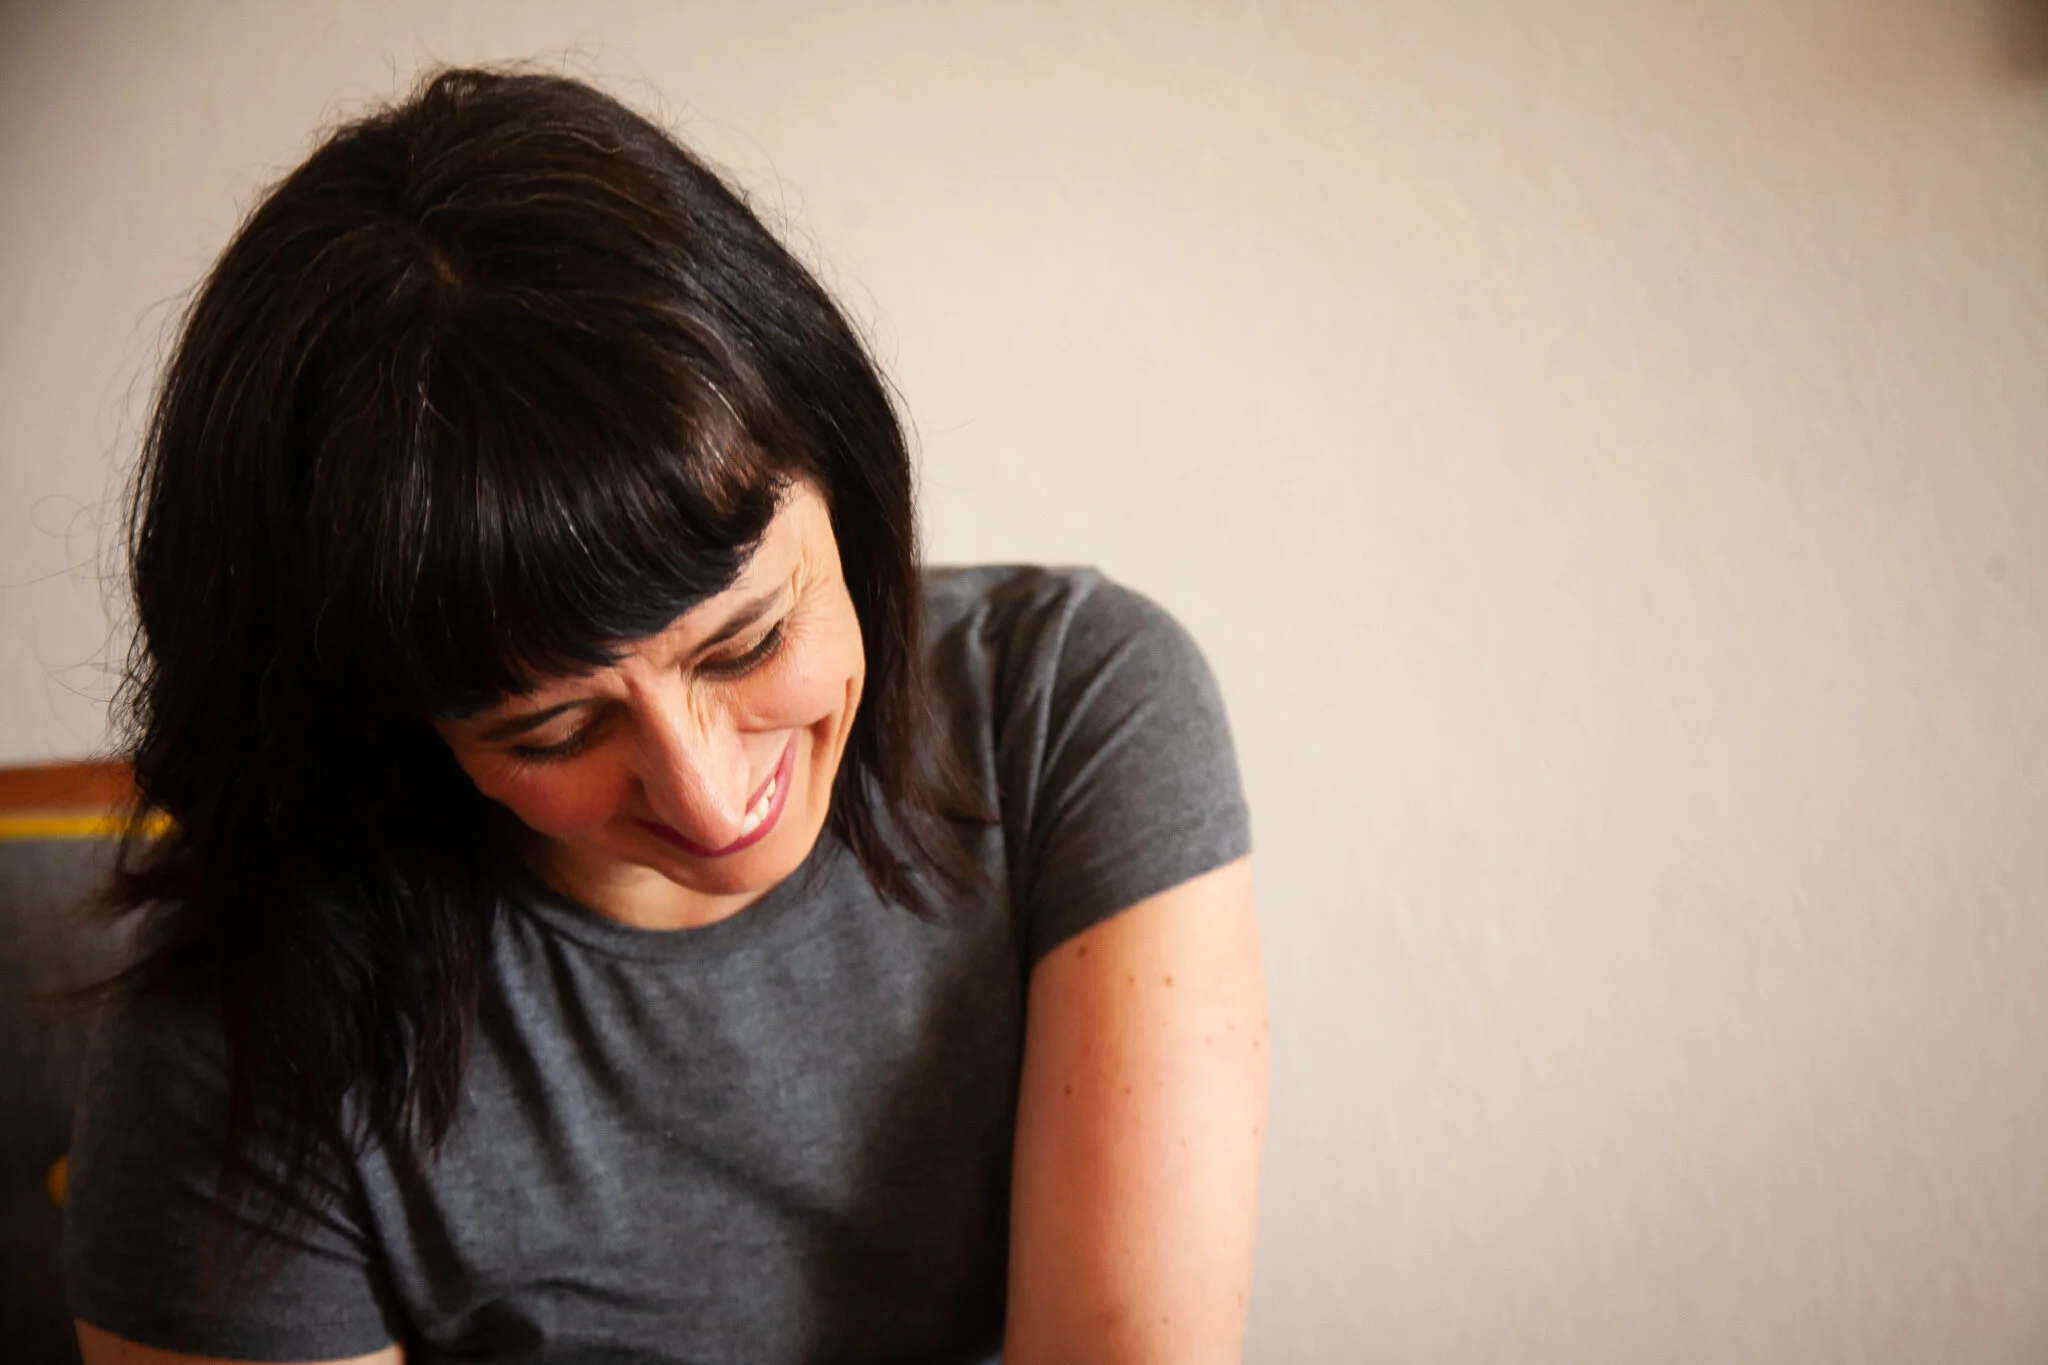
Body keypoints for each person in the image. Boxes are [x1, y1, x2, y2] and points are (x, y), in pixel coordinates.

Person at [61, 67, 1267, 1365]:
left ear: (842, 484)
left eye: (747, 641)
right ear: (398, 726)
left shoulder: (1068, 708)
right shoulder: (254, 1021)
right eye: (553, 732)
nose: (705, 797)